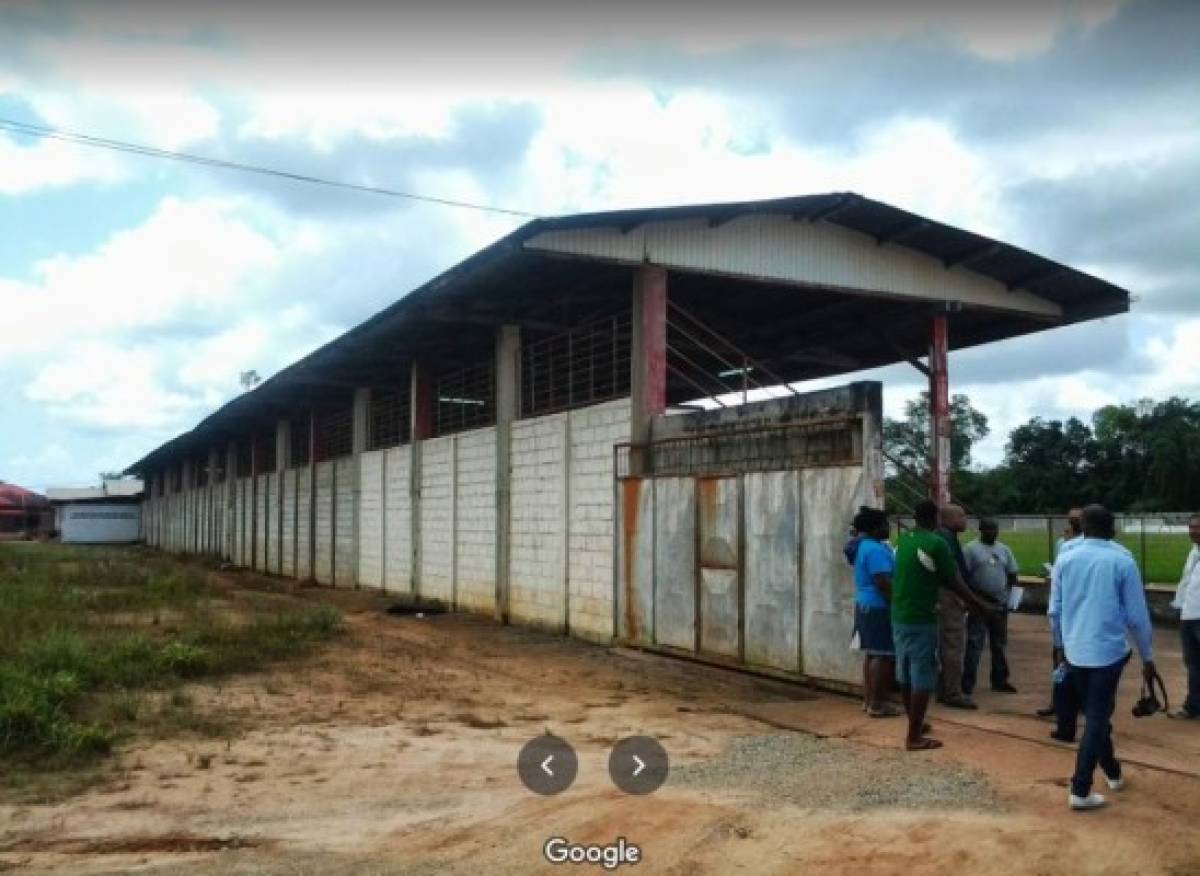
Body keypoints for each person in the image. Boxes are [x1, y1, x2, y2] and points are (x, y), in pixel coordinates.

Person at [1048, 504, 1157, 811]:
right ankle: (1080, 789)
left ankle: (1112, 772)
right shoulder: (1122, 561)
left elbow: (1054, 610)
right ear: (1113, 529)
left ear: (1081, 526)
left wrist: (1058, 648)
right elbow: (1137, 617)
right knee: (1097, 718)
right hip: (1107, 653)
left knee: (1097, 715)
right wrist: (1148, 657)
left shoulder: (1065, 558)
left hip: (1074, 651)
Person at [891, 500, 995, 751]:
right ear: (936, 518)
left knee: (906, 673)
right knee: (922, 676)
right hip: (921, 617)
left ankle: (915, 724)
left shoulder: (903, 540)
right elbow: (954, 580)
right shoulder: (935, 543)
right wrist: (979, 605)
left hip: (899, 615)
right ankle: (914, 737)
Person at [849, 506, 900, 718]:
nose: (888, 528)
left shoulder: (865, 546)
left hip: (865, 605)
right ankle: (878, 703)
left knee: (872, 654)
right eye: (885, 525)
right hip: (878, 606)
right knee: (883, 655)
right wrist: (897, 603)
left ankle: (869, 700)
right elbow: (882, 582)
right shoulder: (876, 550)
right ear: (875, 528)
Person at [962, 518, 1019, 695]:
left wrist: (1007, 595)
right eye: (988, 529)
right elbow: (964, 577)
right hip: (979, 604)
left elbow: (1012, 573)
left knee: (999, 644)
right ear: (980, 530)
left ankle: (1000, 680)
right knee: (975, 643)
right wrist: (976, 598)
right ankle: (967, 682)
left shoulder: (1004, 549)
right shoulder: (970, 549)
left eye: (995, 529)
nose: (992, 532)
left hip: (999, 604)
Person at [1038, 508, 1085, 718]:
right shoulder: (1062, 545)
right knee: (1060, 660)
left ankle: (1075, 704)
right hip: (1066, 612)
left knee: (1077, 661)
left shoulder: (1078, 546)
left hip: (1077, 612)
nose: (1071, 523)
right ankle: (1058, 702)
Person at [935, 504, 975, 709]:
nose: (965, 519)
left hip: (944, 596)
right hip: (949, 597)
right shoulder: (945, 539)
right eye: (961, 515)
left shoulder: (945, 537)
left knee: (945, 646)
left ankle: (943, 689)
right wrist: (966, 598)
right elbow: (952, 574)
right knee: (953, 645)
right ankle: (953, 692)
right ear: (949, 519)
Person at [1170, 514, 1200, 719]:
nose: (1193, 531)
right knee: (1193, 665)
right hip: (1189, 616)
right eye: (1191, 527)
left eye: (1197, 528)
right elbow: (1186, 583)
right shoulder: (1194, 552)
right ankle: (1193, 706)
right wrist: (1180, 608)